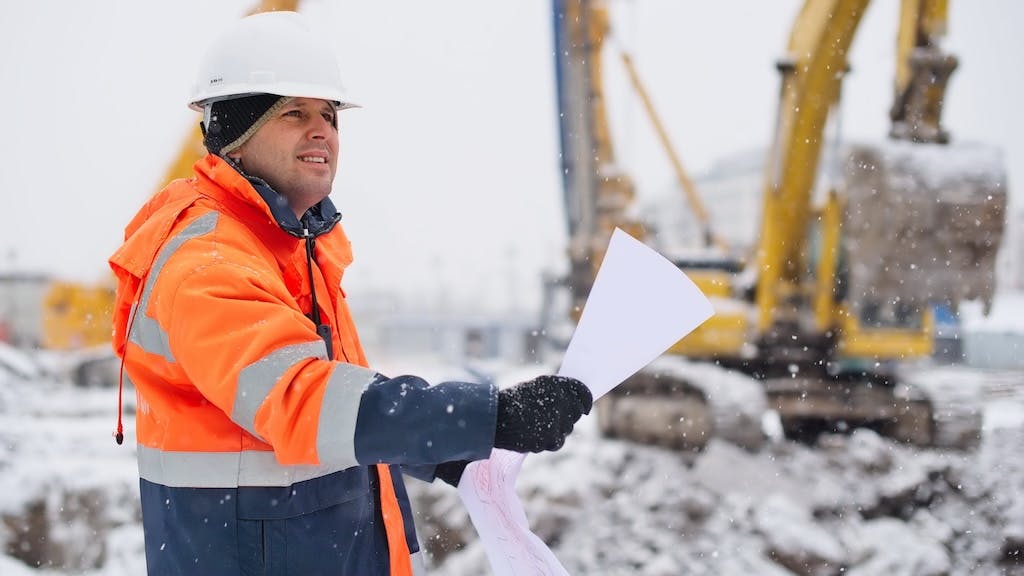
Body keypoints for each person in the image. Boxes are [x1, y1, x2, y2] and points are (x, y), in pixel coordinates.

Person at [108, 11, 592, 576]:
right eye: (294, 113)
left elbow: (342, 401)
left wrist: (444, 452)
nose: (323, 132)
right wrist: (490, 417)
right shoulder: (207, 262)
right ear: (233, 134)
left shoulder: (292, 246)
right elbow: (304, 402)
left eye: (330, 116)